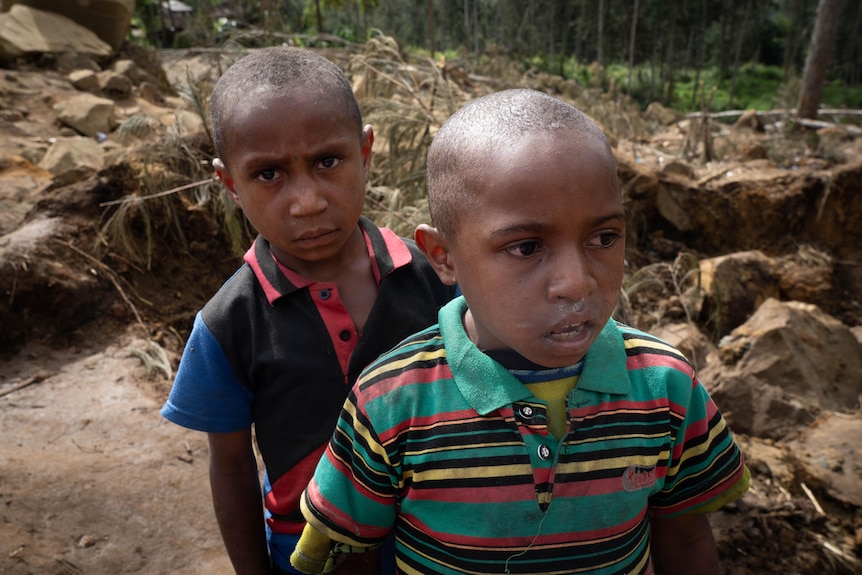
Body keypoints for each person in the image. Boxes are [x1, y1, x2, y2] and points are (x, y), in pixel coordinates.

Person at [290, 88, 750, 575]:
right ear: (443, 256)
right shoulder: (391, 400)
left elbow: (685, 539)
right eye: (527, 247)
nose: (577, 281)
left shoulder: (667, 389)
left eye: (604, 238)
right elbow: (350, 553)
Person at [159, 46, 455, 575]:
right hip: (306, 560)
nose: (307, 202)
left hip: (438, 549)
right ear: (230, 184)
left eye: (327, 162)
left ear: (365, 153)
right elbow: (230, 467)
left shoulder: (436, 282)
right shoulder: (229, 324)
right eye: (269, 174)